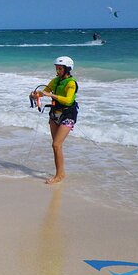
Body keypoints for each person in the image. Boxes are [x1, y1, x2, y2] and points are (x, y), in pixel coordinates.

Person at [30, 56, 78, 184]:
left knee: (56, 144)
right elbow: (43, 93)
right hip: (54, 115)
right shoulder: (55, 81)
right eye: (56, 68)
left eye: (60, 68)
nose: (57, 71)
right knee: (57, 146)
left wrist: (50, 95)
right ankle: (61, 173)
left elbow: (69, 100)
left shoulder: (71, 83)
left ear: (67, 69)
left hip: (67, 116)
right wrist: (35, 95)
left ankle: (59, 176)